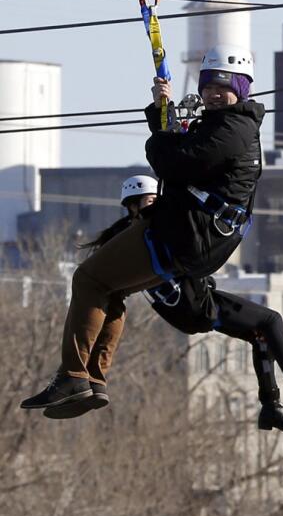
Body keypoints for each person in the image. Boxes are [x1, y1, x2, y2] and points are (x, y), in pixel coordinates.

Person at [20, 44, 265, 416]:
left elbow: (173, 163)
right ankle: (93, 380)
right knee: (109, 290)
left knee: (88, 279)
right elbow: (181, 155)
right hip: (191, 235)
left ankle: (73, 376)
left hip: (183, 233)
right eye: (209, 85)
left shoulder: (232, 128)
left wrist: (158, 137)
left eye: (224, 86)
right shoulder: (224, 126)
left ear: (242, 89)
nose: (214, 93)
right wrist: (160, 112)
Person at [54, 175, 283, 431]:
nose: (155, 206)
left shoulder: (125, 242)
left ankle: (271, 407)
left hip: (188, 308)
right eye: (150, 201)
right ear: (133, 206)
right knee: (271, 320)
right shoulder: (144, 233)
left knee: (260, 335)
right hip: (197, 304)